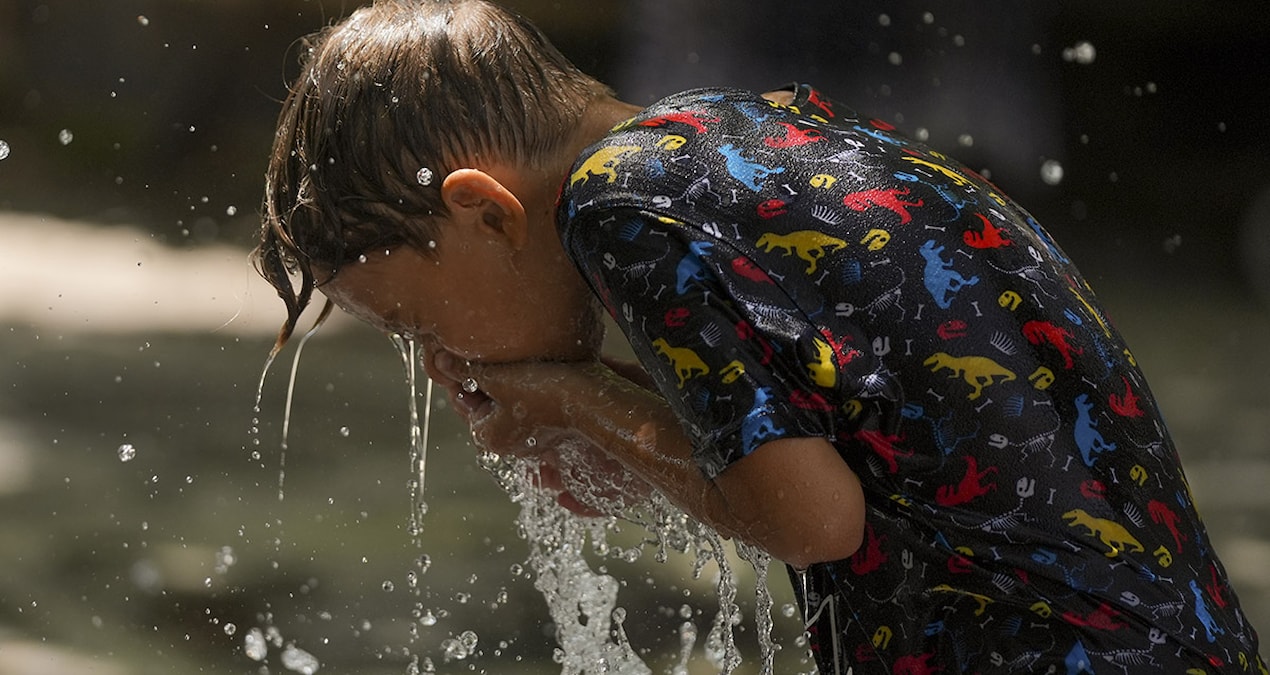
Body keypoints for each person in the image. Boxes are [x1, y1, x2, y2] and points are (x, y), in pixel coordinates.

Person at [254, 1, 1264, 672]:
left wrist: (575, 401)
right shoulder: (729, 149)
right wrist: (611, 419)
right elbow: (855, 454)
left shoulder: (620, 207)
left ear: (483, 210)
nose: (439, 362)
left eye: (417, 323)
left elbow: (810, 520)